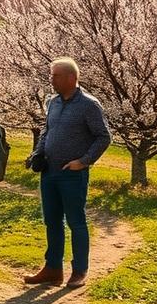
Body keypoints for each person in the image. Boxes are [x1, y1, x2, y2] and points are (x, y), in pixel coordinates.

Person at [23, 57, 111, 289]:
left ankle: (79, 270)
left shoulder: (89, 105)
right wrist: (38, 153)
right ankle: (53, 269)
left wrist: (84, 161)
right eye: (51, 75)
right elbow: (47, 130)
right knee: (52, 222)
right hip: (49, 172)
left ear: (71, 78)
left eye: (56, 76)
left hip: (72, 174)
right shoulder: (53, 102)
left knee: (76, 222)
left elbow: (104, 136)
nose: (51, 79)